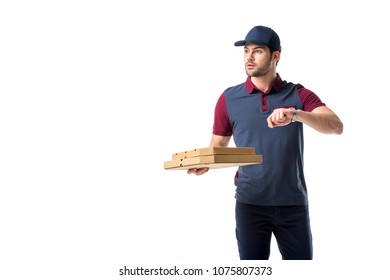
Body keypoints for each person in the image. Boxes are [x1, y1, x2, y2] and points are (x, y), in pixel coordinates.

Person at [187, 25, 343, 260]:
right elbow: (217, 147)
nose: (249, 57)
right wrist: (205, 162)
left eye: (258, 51)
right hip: (250, 204)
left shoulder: (298, 94)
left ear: (275, 56)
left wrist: (295, 114)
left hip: (293, 204)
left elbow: (335, 125)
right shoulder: (228, 98)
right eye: (246, 50)